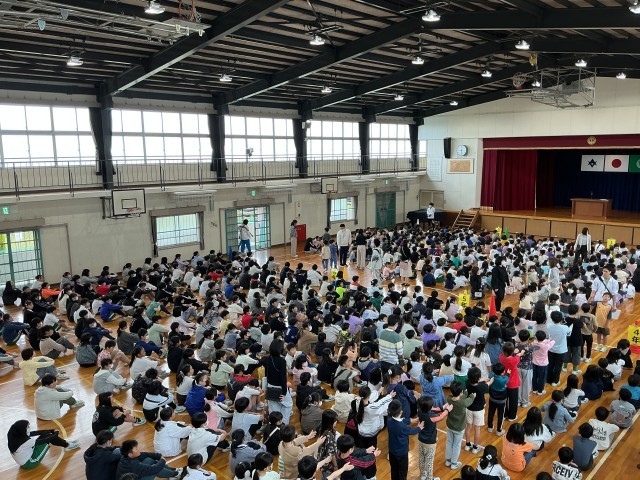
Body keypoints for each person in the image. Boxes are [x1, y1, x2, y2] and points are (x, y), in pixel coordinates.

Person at [8, 419, 79, 469]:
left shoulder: (15, 435)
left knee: (47, 435)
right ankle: (67, 445)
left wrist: (50, 430)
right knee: (48, 438)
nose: (29, 427)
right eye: (28, 427)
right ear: (23, 429)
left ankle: (66, 443)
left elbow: (35, 433)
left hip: (23, 460)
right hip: (30, 462)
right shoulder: (27, 442)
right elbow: (45, 440)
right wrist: (56, 434)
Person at [387, 399, 422, 480]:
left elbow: (400, 420)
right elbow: (411, 431)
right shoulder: (402, 427)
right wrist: (419, 428)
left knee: (394, 470)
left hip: (392, 451)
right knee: (402, 472)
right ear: (401, 412)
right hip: (401, 453)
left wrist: (410, 420)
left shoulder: (389, 420)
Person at [445, 380, 475, 470]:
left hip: (450, 425)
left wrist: (464, 393)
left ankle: (448, 461)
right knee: (456, 445)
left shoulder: (449, 399)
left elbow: (460, 398)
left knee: (449, 442)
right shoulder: (463, 403)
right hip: (459, 428)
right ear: (461, 392)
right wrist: (472, 396)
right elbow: (469, 400)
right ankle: (454, 463)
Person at [116, 439, 182, 480]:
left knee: (149, 459)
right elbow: (153, 469)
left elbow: (145, 454)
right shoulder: (132, 465)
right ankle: (175, 474)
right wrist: (163, 460)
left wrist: (159, 456)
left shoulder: (126, 457)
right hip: (135, 477)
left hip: (134, 476)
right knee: (154, 471)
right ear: (130, 454)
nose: (139, 449)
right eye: (136, 449)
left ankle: (173, 470)